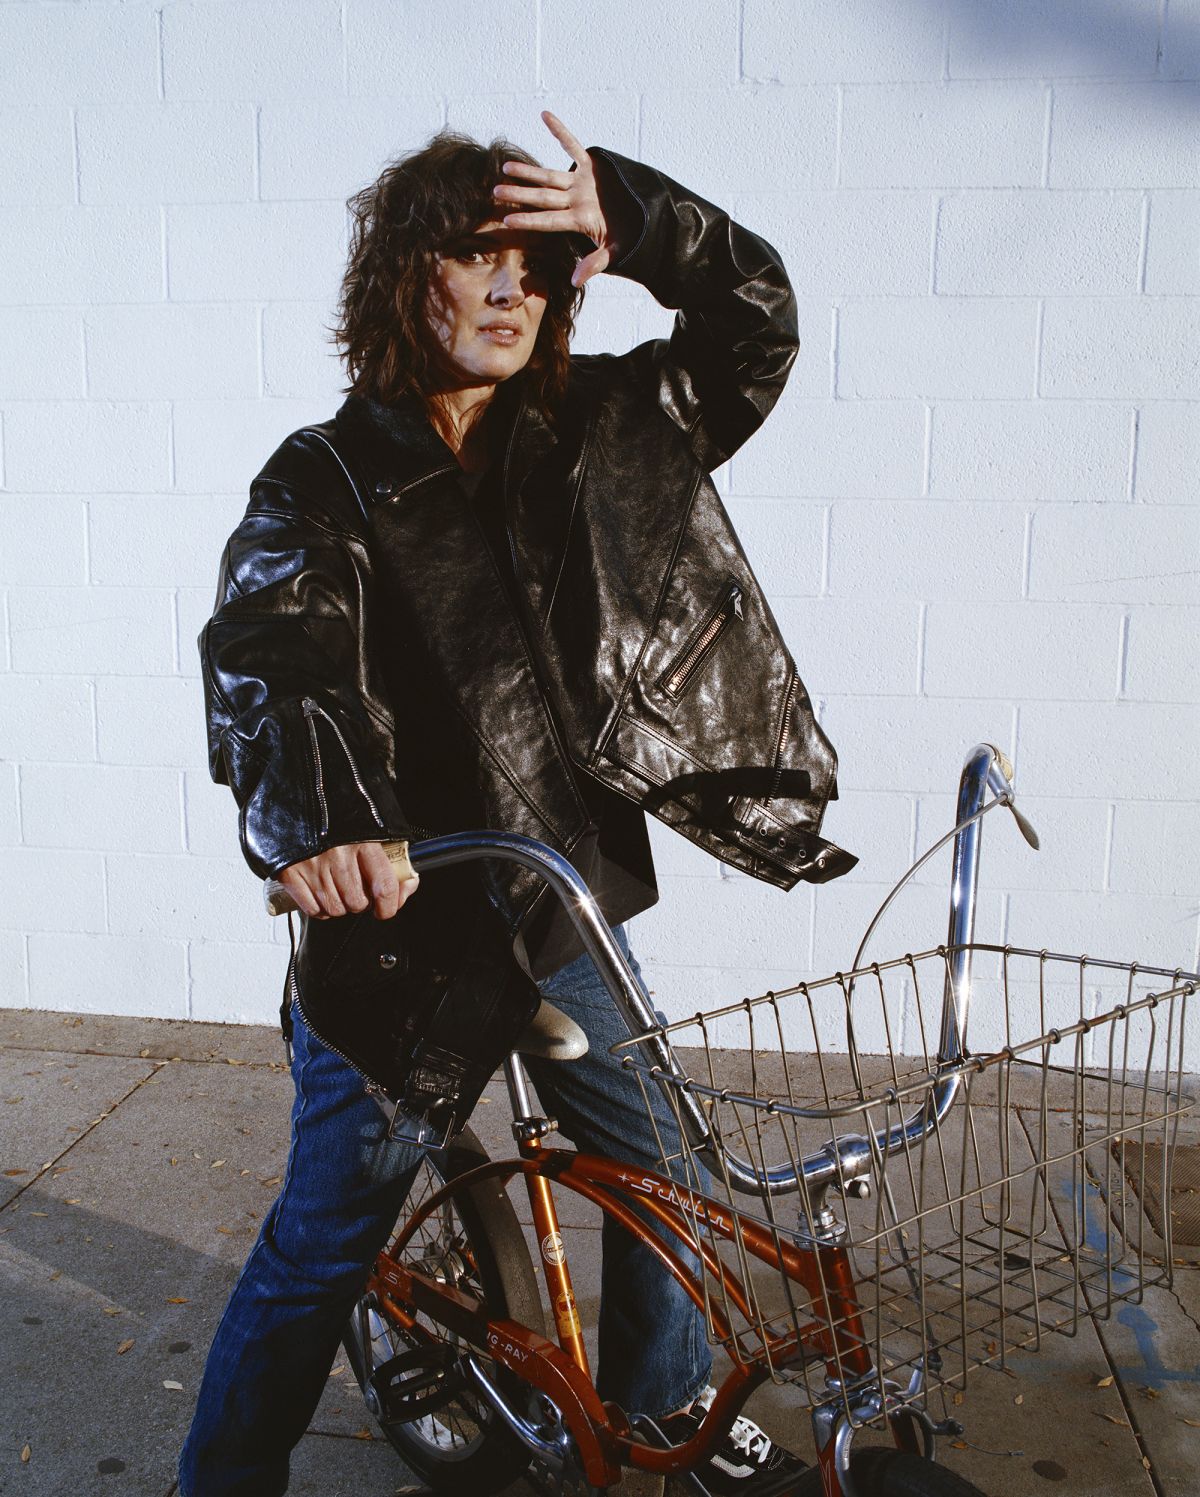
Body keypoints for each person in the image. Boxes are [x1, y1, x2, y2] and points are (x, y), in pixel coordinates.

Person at [182, 110, 852, 1497]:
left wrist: (638, 217)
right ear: (402, 278)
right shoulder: (326, 478)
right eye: (475, 257)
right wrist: (327, 822)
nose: (510, 290)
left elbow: (756, 323)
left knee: (663, 1171)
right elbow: (276, 652)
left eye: (536, 266)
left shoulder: (602, 428)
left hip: (559, 906)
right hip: (403, 938)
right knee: (322, 1248)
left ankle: (662, 1413)